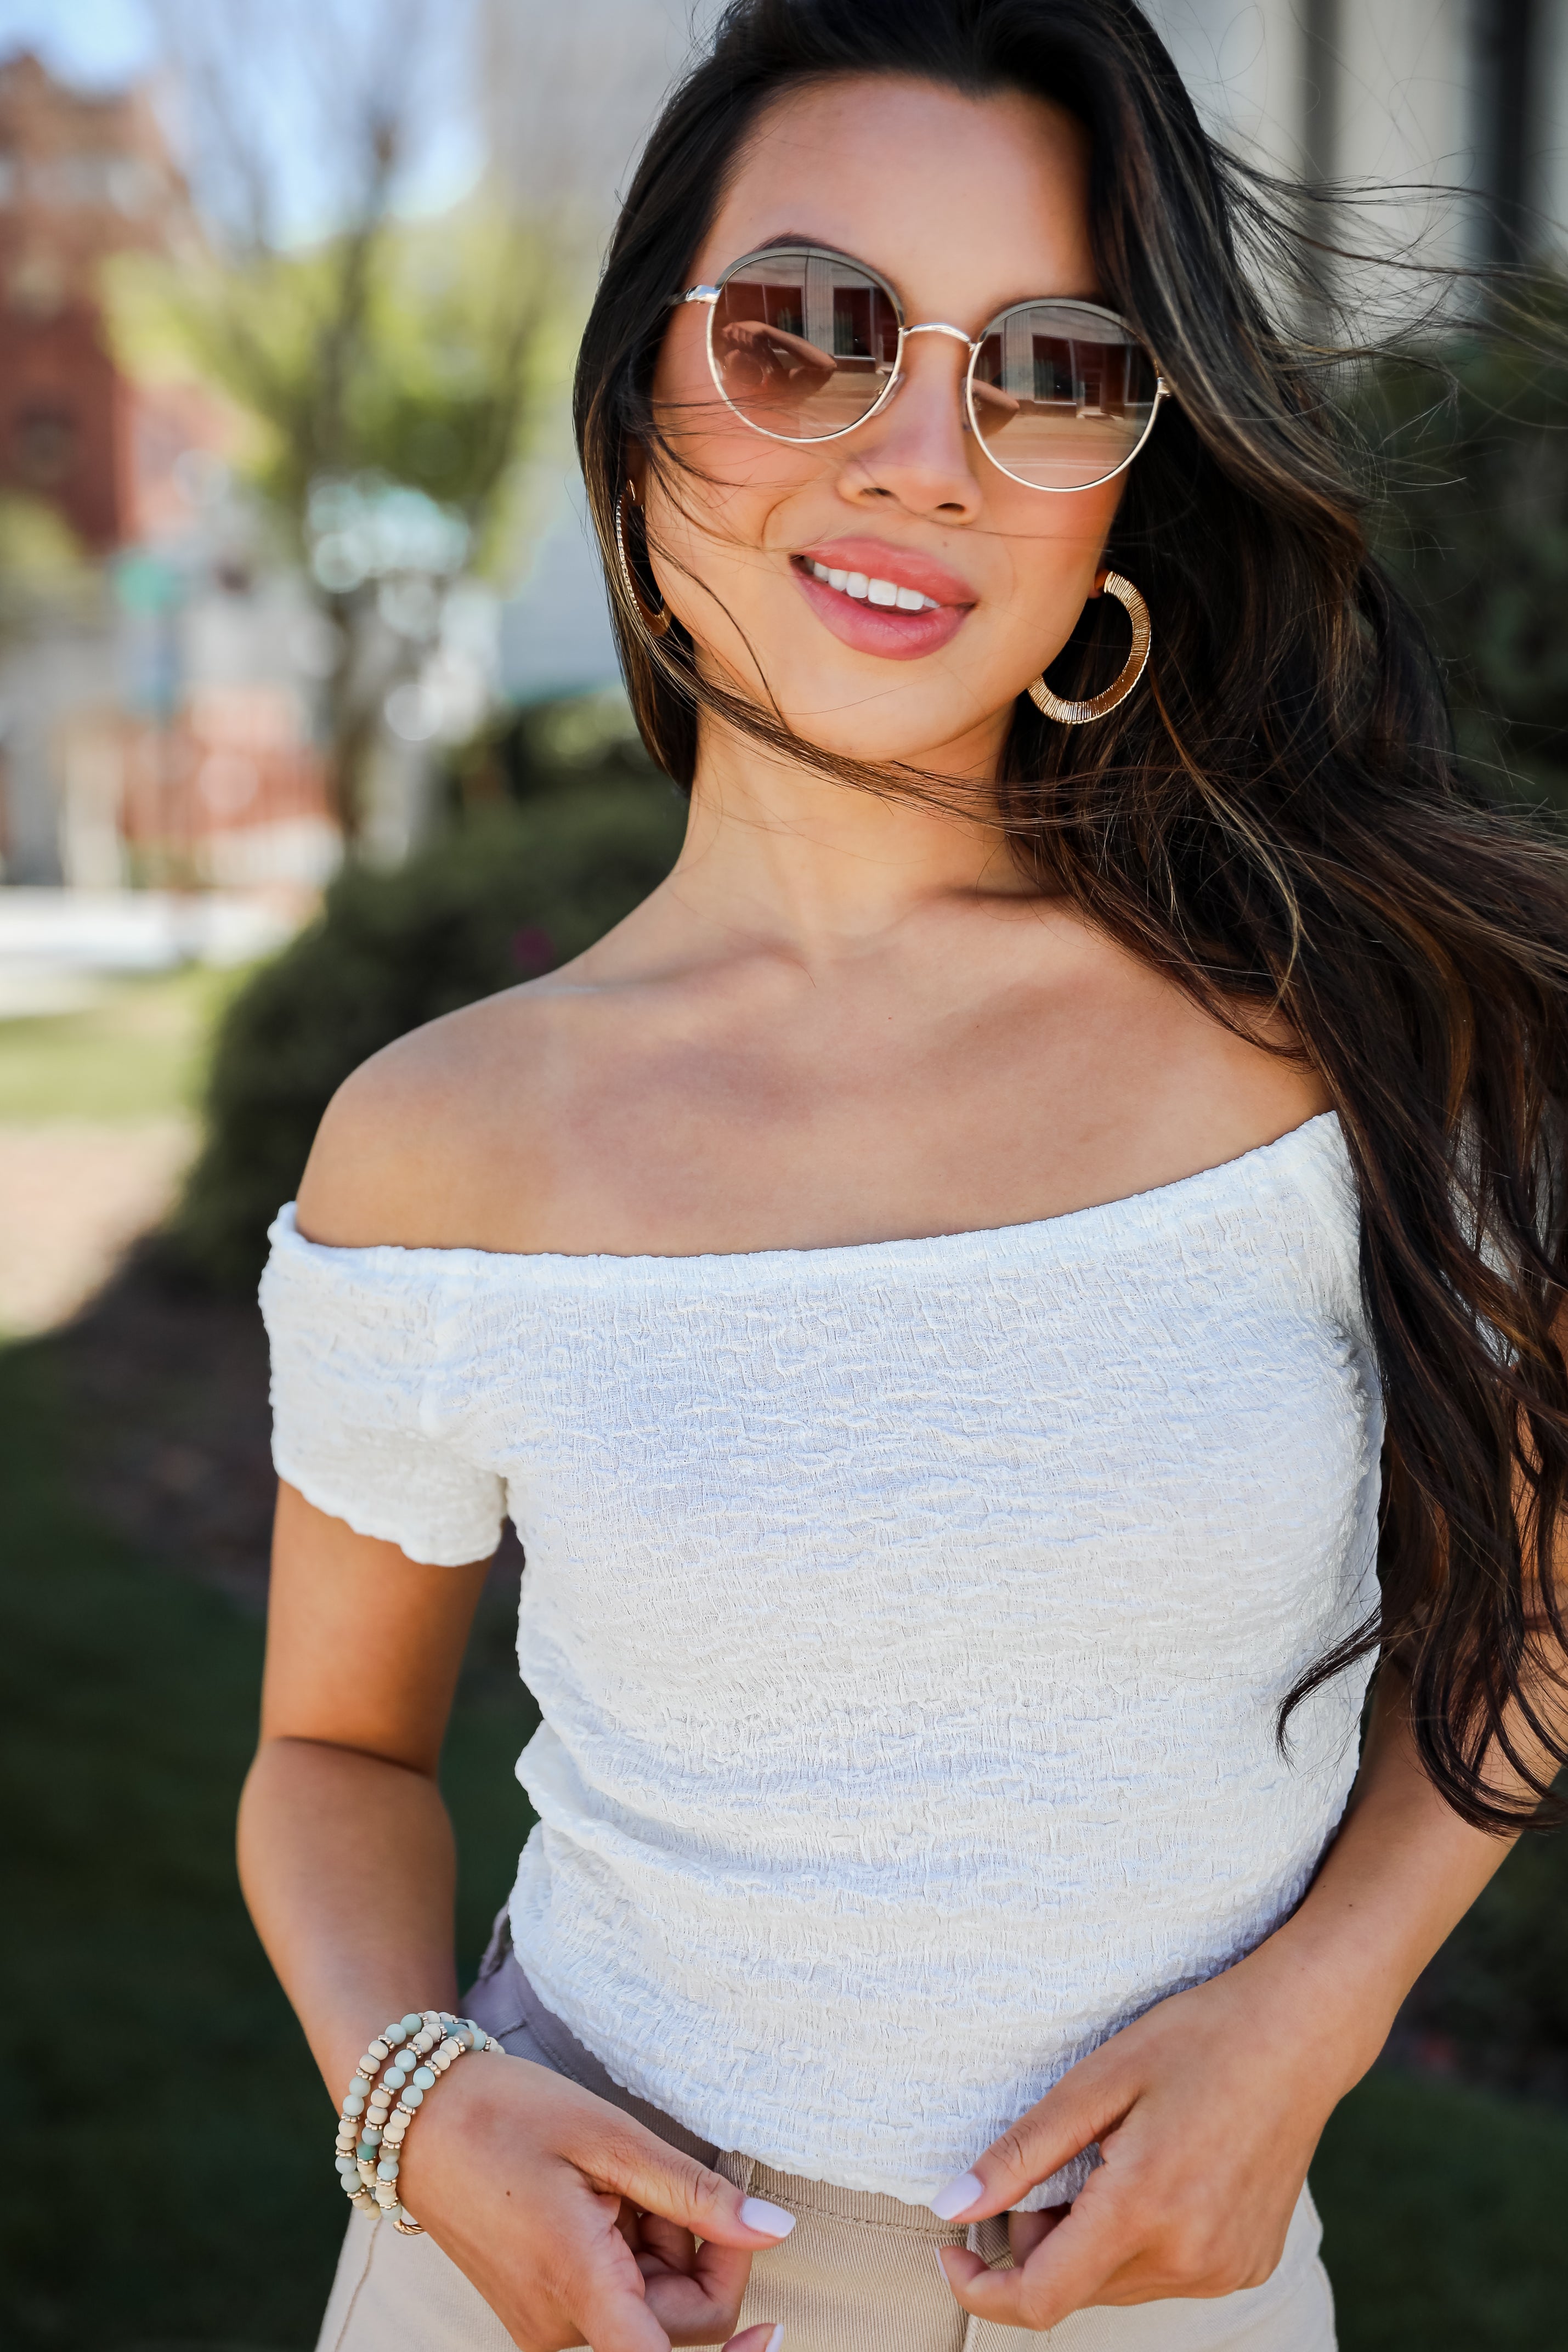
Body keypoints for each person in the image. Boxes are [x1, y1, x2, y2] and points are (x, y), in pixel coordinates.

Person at [243, 4, 1568, 2348]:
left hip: (1187, 2295)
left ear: (1128, 479)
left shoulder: (1333, 1020)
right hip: (552, 2292)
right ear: (639, 388)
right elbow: (334, 1748)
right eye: (806, 332)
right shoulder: (441, 1138)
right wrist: (417, 2101)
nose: (922, 453)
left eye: (1048, 366)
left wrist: (1322, 2008)